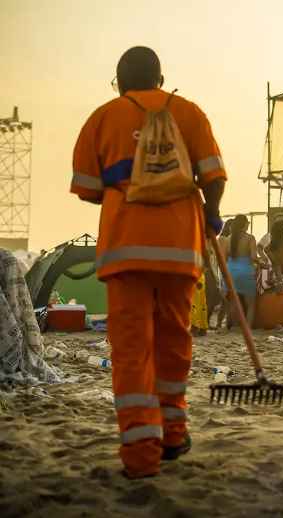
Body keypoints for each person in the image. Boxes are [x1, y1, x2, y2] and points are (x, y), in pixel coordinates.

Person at [70, 47, 227, 479]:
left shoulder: (104, 116)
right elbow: (215, 178)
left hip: (125, 247)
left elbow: (86, 188)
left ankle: (141, 455)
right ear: (161, 78)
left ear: (120, 81)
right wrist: (209, 214)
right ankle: (173, 435)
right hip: (180, 245)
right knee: (174, 339)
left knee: (131, 348)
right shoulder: (191, 113)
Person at [222, 215, 258, 329]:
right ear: (244, 224)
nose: (248, 225)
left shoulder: (228, 239)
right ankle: (247, 328)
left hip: (231, 272)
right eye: (248, 223)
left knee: (232, 303)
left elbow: (223, 260)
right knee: (251, 303)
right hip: (246, 272)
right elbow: (253, 256)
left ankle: (229, 327)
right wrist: (262, 263)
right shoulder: (250, 238)